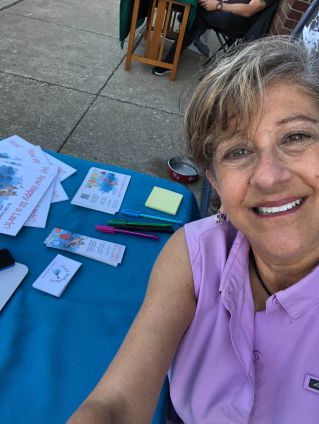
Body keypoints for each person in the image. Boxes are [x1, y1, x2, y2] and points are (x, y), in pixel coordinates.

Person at [68, 36, 319, 423]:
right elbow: (115, 405)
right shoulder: (196, 252)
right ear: (215, 184)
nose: (269, 176)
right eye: (238, 151)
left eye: (296, 136)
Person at [152, 0, 278, 76]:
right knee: (195, 15)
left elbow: (250, 10)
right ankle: (186, 22)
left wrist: (218, 5)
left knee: (195, 14)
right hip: (227, 10)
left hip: (236, 21)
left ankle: (169, 61)